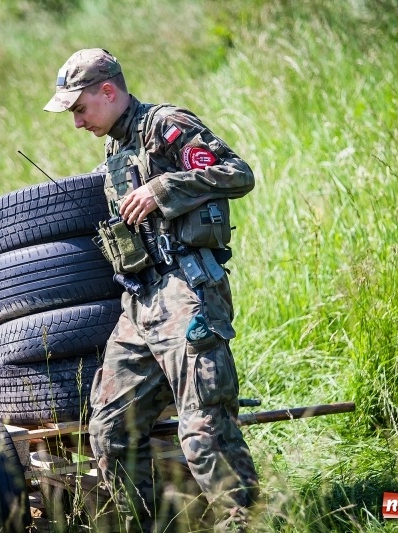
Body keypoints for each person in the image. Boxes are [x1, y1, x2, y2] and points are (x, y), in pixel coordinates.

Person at [44, 48, 259, 532]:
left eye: (80, 108)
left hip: (187, 291)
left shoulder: (165, 125)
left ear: (108, 91)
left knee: (204, 429)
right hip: (141, 301)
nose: (77, 122)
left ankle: (243, 524)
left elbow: (237, 173)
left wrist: (162, 190)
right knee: (110, 431)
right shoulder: (115, 147)